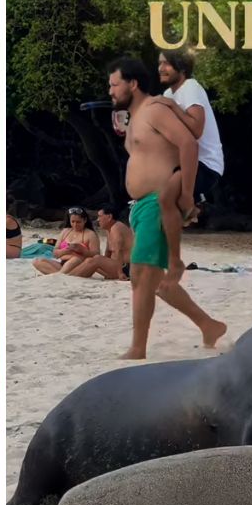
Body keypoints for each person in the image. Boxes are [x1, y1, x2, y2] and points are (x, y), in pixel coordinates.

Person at [107, 55, 226, 359]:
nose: (110, 91)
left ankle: (138, 348)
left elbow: (189, 143)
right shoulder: (144, 113)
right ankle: (208, 325)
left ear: (133, 84)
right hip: (140, 206)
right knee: (159, 282)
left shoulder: (155, 110)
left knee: (142, 273)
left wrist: (187, 195)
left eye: (114, 85)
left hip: (156, 201)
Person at [157, 49, 224, 210]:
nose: (160, 68)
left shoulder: (190, 87)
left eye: (166, 63)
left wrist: (173, 106)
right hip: (181, 163)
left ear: (181, 68)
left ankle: (192, 201)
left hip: (205, 166)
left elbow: (196, 130)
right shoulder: (167, 94)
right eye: (159, 63)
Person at [68, 207, 133, 280]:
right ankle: (71, 276)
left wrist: (120, 273)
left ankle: (70, 277)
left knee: (96, 259)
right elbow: (108, 252)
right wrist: (105, 264)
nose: (98, 219)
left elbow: (119, 251)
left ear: (109, 217)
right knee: (88, 259)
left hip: (127, 268)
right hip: (119, 267)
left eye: (100, 216)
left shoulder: (116, 228)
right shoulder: (109, 229)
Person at [32, 206, 99, 275]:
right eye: (73, 222)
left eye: (78, 222)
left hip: (79, 265)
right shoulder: (65, 231)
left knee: (75, 259)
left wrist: (82, 250)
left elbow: (96, 255)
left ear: (85, 220)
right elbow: (55, 253)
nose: (75, 225)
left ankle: (60, 275)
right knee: (37, 261)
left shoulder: (90, 234)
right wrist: (66, 250)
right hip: (63, 263)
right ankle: (62, 274)